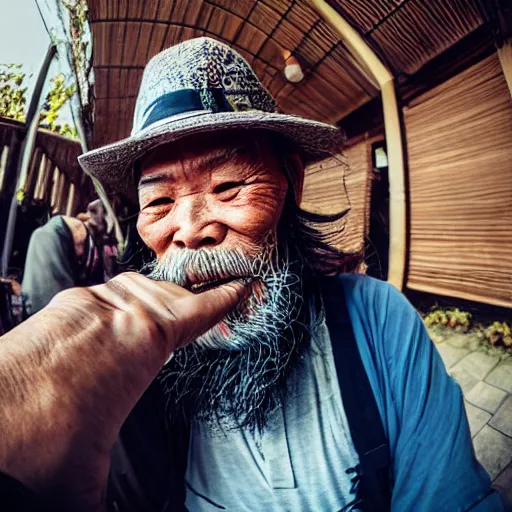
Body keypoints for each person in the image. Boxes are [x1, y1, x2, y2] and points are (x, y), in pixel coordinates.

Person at [0, 37, 506, 511]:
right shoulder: (131, 378)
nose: (192, 231)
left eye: (227, 186)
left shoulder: (376, 320)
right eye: (159, 201)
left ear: (291, 182)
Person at [21, 199, 117, 315]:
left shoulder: (50, 235)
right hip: (57, 237)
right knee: (54, 312)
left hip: (55, 236)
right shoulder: (74, 233)